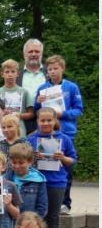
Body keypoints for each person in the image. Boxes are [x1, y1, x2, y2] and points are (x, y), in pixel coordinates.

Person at [33, 55, 84, 214]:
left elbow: (79, 110)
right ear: (46, 71)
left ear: (62, 68)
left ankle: (65, 203)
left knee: (65, 166)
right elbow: (36, 111)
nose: (53, 71)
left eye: (56, 68)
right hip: (45, 133)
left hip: (66, 132)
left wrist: (63, 114)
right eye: (50, 69)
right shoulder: (42, 88)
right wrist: (38, 102)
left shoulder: (72, 87)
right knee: (45, 165)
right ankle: (46, 201)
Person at [27, 107, 76, 228]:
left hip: (57, 183)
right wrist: (33, 158)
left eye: (49, 120)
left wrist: (63, 158)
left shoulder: (64, 139)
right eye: (42, 120)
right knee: (38, 217)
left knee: (53, 218)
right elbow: (23, 162)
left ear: (55, 121)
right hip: (35, 182)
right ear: (37, 121)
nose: (46, 123)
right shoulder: (31, 139)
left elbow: (72, 160)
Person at [0, 59, 33, 136]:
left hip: (19, 130)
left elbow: (31, 113)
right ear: (2, 74)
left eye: (13, 71)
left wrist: (19, 115)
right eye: (7, 72)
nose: (10, 74)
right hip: (0, 130)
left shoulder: (25, 92)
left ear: (17, 74)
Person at [5, 143, 47, 217]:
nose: (17, 166)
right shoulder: (5, 179)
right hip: (8, 222)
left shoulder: (38, 180)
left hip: (28, 221)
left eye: (21, 163)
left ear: (30, 162)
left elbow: (42, 208)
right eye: (14, 162)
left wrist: (31, 221)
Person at [18, 39, 46, 134]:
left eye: (37, 51)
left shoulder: (50, 71)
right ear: (24, 54)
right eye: (30, 51)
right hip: (22, 119)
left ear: (41, 53)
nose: (33, 54)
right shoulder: (16, 72)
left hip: (46, 118)